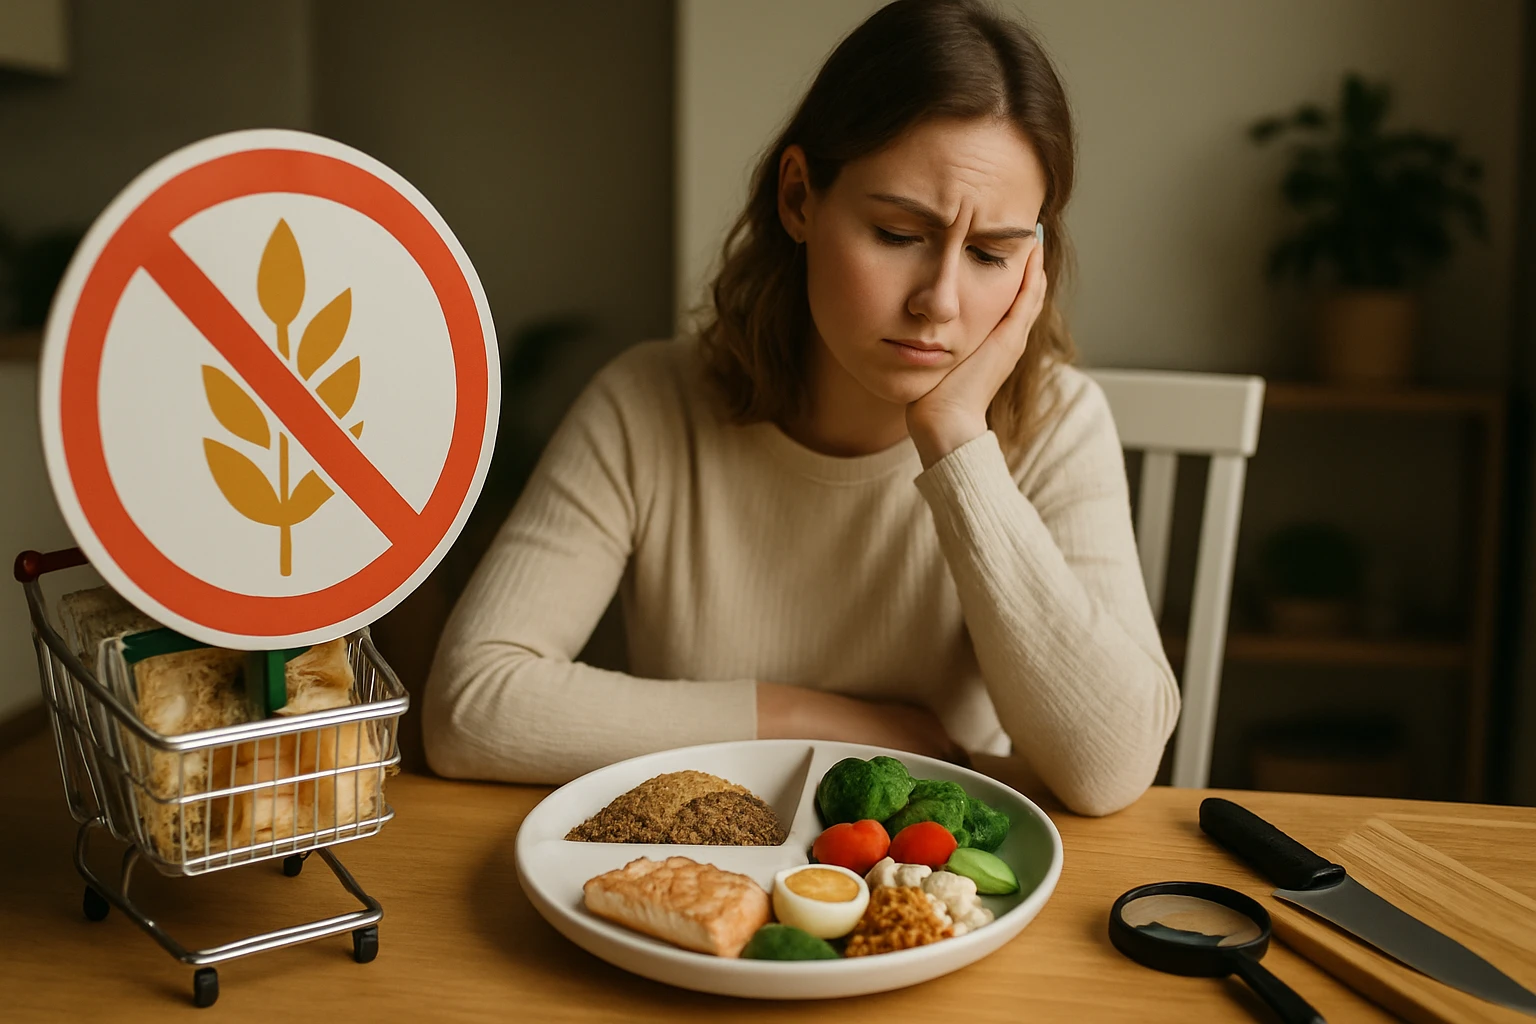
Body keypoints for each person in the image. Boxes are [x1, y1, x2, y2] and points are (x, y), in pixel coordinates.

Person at [423, 0, 1179, 816]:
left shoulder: (1059, 423)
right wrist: (815, 722)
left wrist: (957, 442)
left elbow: (1110, 770)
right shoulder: (648, 404)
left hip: (932, 892)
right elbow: (470, 705)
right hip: (698, 866)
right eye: (897, 234)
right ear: (798, 199)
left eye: (993, 253)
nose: (941, 301)